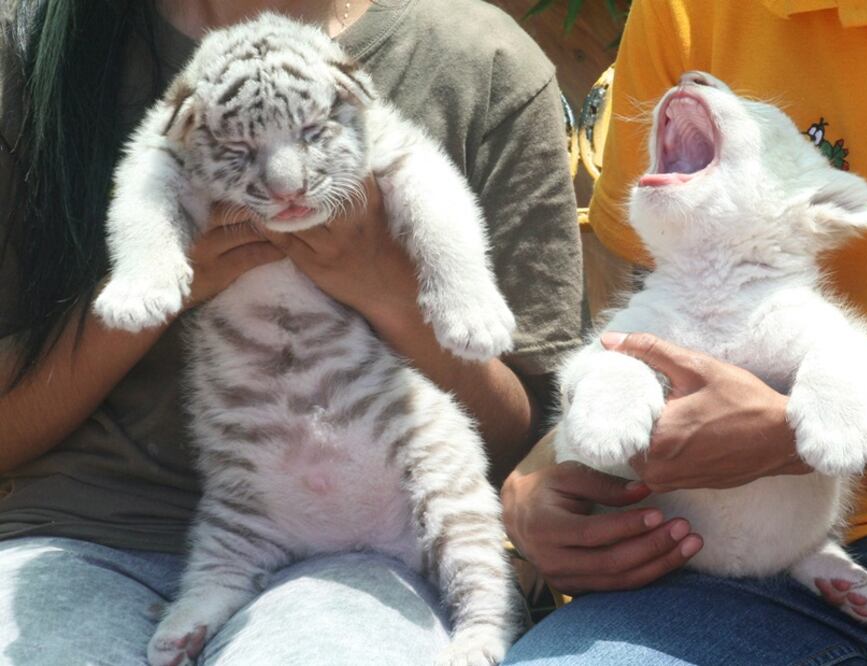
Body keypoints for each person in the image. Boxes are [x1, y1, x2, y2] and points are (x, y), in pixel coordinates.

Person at [502, 0, 867, 663]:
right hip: (717, 571)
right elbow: (639, 329)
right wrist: (543, 470)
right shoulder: (687, 11)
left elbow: (830, 378)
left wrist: (791, 435)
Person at [0, 0, 583, 663]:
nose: (284, 184)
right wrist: (164, 281)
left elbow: (530, 449)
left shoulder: (474, 59)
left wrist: (388, 288)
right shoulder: (34, 47)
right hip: (80, 536)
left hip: (361, 544)